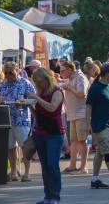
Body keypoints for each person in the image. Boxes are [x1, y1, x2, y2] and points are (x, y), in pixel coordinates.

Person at [27, 68, 65, 204]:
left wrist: (36, 98)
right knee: (44, 166)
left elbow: (52, 108)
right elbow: (39, 114)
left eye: (40, 81)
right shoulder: (41, 92)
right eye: (36, 82)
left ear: (47, 79)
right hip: (40, 133)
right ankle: (47, 196)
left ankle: (54, 196)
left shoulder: (57, 91)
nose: (38, 84)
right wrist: (30, 106)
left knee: (52, 165)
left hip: (54, 133)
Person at [0, 61, 36, 182]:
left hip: (21, 119)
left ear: (17, 71)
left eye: (11, 73)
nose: (8, 76)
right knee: (10, 147)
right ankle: (13, 171)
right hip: (6, 120)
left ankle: (27, 172)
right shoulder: (2, 85)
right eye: (6, 73)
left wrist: (24, 101)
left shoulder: (25, 83)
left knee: (25, 147)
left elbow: (34, 100)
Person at [59, 61, 90, 174]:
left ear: (70, 70)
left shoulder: (80, 77)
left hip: (81, 114)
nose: (61, 73)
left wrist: (69, 88)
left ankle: (83, 167)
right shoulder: (71, 78)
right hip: (73, 114)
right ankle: (72, 165)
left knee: (82, 141)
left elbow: (82, 94)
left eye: (63, 70)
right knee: (74, 141)